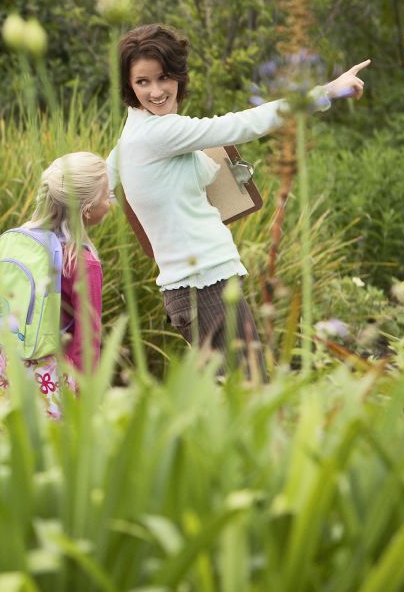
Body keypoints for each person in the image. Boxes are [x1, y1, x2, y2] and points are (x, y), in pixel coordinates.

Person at [108, 24, 369, 376]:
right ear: (129, 86)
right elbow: (242, 124)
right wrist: (327, 91)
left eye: (163, 77)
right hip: (204, 287)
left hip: (203, 285)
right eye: (143, 82)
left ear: (178, 76)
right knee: (252, 395)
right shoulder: (158, 133)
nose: (156, 91)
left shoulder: (137, 131)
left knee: (242, 402)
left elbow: (100, 178)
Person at [0, 152, 111, 418]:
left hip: (7, 364)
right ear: (87, 210)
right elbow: (87, 340)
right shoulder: (82, 262)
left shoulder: (23, 241)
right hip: (51, 377)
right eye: (107, 195)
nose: (110, 201)